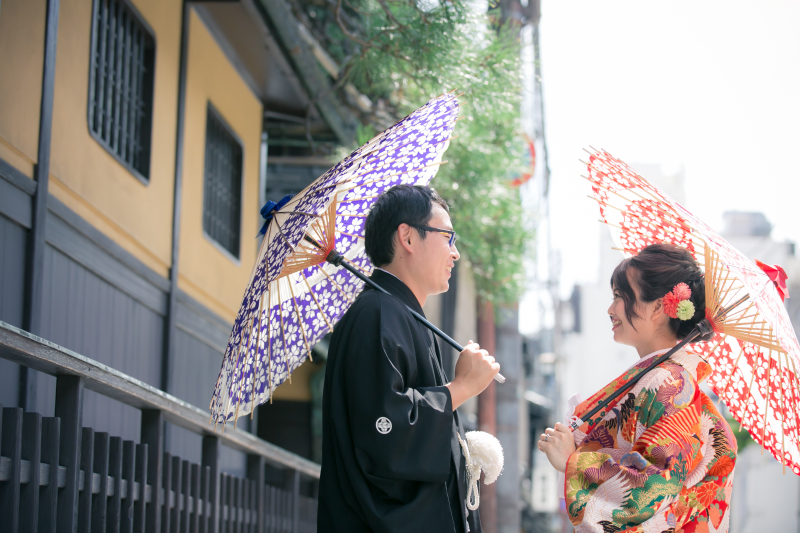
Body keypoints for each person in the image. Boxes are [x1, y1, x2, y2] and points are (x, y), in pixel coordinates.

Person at [318, 184, 500, 533]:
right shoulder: (377, 314)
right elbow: (386, 431)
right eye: (447, 237)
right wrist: (461, 387)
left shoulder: (396, 314)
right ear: (408, 237)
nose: (455, 253)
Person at [538, 243, 737, 532]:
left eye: (620, 296)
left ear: (658, 307)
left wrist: (574, 461)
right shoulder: (662, 377)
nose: (610, 309)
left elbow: (654, 486)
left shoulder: (668, 382)